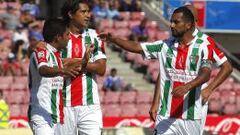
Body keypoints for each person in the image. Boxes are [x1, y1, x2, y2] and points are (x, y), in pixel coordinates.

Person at [100, 6, 214, 134]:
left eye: (176, 22)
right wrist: (114, 39)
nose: (171, 25)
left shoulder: (203, 45)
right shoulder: (164, 46)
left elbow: (206, 73)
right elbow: (137, 46)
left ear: (188, 25)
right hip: (166, 115)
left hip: (191, 117)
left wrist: (188, 86)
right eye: (171, 21)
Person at [28, 18, 84, 135]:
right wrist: (63, 70)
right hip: (41, 114)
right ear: (58, 37)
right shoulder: (41, 50)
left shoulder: (57, 56)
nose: (70, 37)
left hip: (58, 116)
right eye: (67, 34)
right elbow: (43, 70)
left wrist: (84, 60)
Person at [58, 0, 107, 135]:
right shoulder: (60, 36)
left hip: (90, 105)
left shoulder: (94, 36)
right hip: (64, 104)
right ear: (70, 14)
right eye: (83, 12)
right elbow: (58, 66)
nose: (88, 15)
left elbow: (101, 69)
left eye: (88, 11)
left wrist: (74, 61)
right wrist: (86, 63)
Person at [184, 4, 233, 134]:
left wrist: (208, 89)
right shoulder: (173, 40)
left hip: (194, 102)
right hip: (172, 101)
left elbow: (227, 67)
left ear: (191, 21)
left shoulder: (205, 41)